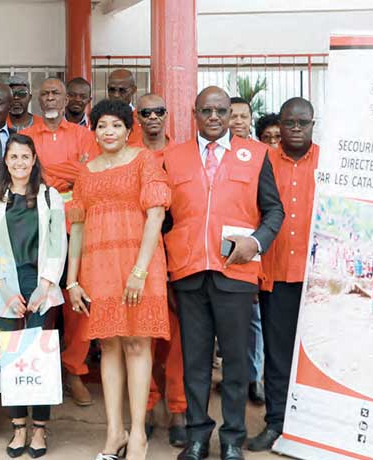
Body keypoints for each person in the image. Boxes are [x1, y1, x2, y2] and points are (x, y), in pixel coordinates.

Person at [164, 86, 284, 460]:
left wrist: (258, 242)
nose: (214, 117)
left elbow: (274, 211)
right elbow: (163, 217)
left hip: (235, 272)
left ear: (230, 114)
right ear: (194, 114)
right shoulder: (173, 157)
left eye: (220, 110)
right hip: (188, 273)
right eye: (206, 111)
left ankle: (233, 437)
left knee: (235, 361)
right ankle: (199, 436)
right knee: (195, 363)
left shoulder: (257, 155)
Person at [66, 99, 171, 460]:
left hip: (139, 265)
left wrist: (139, 272)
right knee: (108, 345)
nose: (108, 132)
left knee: (138, 345)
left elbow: (156, 216)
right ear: (93, 131)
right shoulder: (86, 171)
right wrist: (71, 279)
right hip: (98, 267)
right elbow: (76, 227)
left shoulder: (145, 160)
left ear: (129, 129)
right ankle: (114, 433)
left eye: (115, 125)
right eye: (101, 126)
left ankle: (138, 434)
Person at [0, 134, 66, 458]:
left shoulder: (49, 197)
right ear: (6, 161)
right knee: (14, 359)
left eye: (24, 157)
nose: (19, 163)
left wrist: (45, 286)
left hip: (41, 285)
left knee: (39, 359)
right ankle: (18, 428)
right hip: (5, 287)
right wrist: (4, 290)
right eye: (13, 157)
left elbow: (58, 244)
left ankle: (40, 430)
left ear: (34, 160)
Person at [247, 97, 319, 452]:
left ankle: (314, 426)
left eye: (302, 122)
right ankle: (277, 423)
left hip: (318, 278)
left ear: (312, 124)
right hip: (275, 272)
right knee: (278, 354)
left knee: (316, 356)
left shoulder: (328, 162)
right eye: (289, 122)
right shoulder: (263, 161)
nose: (294, 128)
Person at [19, 77, 95, 406]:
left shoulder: (83, 135)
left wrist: (46, 171)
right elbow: (23, 175)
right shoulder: (24, 136)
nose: (50, 98)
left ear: (67, 101)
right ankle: (39, 373)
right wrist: (65, 171)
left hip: (75, 228)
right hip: (36, 230)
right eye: (45, 93)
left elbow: (88, 174)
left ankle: (74, 370)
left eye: (56, 94)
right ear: (39, 99)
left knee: (77, 304)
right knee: (40, 302)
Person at [133, 92, 188, 448]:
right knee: (142, 334)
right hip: (139, 255)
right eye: (146, 112)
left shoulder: (182, 155)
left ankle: (179, 408)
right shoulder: (129, 154)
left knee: (180, 338)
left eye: (159, 112)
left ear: (167, 116)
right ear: (137, 118)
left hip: (178, 254)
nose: (153, 117)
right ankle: (150, 405)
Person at [229, 98, 266, 408]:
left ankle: (254, 377)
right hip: (218, 249)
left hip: (254, 246)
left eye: (244, 116)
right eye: (233, 115)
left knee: (253, 319)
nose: (238, 121)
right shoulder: (217, 153)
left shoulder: (260, 154)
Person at [107, 69, 143, 146]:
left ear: (134, 90)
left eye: (122, 90)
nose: (116, 95)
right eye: (112, 90)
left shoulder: (142, 119)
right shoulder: (97, 119)